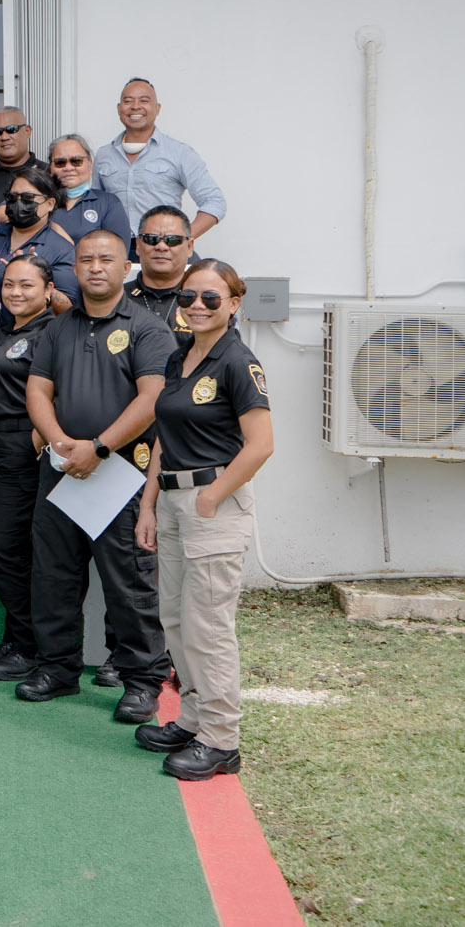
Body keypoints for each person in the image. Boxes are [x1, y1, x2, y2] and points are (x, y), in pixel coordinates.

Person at [20, 229, 177, 721]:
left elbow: (153, 399)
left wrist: (101, 447)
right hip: (63, 471)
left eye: (105, 259)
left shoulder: (149, 328)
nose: (94, 268)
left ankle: (142, 681)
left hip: (123, 476)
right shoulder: (58, 328)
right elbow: (38, 391)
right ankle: (57, 670)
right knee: (53, 577)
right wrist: (60, 441)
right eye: (85, 259)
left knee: (129, 582)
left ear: (125, 265)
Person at [134, 260, 272, 780]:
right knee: (174, 618)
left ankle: (221, 741)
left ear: (234, 304)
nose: (197, 306)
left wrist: (212, 496)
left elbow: (262, 445)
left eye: (211, 298)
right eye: (189, 297)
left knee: (208, 627)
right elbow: (164, 439)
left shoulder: (238, 363)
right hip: (170, 500)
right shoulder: (180, 357)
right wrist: (149, 503)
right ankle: (192, 720)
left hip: (212, 503)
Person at [0, 253, 56, 681]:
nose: (16, 292)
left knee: (5, 548)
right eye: (9, 285)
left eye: (27, 285)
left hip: (25, 447)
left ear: (48, 291)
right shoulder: (5, 332)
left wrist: (39, 434)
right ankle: (15, 638)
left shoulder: (50, 333)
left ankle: (31, 647)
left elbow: (59, 390)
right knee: (9, 550)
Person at [94, 79, 227, 240]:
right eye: (128, 101)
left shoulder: (179, 153)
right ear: (119, 108)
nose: (135, 106)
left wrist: (182, 239)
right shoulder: (103, 155)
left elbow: (214, 202)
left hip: (162, 247)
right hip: (118, 249)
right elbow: (95, 206)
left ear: (157, 109)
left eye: (144, 100)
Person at [0, 160, 77, 306]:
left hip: (30, 327)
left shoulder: (61, 249)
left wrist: (34, 276)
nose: (19, 203)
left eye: (27, 198)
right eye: (12, 198)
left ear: (50, 204)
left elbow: (67, 306)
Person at [47, 134, 131, 248]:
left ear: (90, 164)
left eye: (76, 161)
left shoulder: (108, 203)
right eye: (60, 162)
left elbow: (118, 253)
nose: (68, 168)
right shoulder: (40, 202)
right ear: (50, 167)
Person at [128, 205, 196, 341]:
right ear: (138, 245)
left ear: (189, 247)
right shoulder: (117, 299)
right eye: (151, 239)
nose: (161, 247)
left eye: (172, 240)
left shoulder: (203, 301)